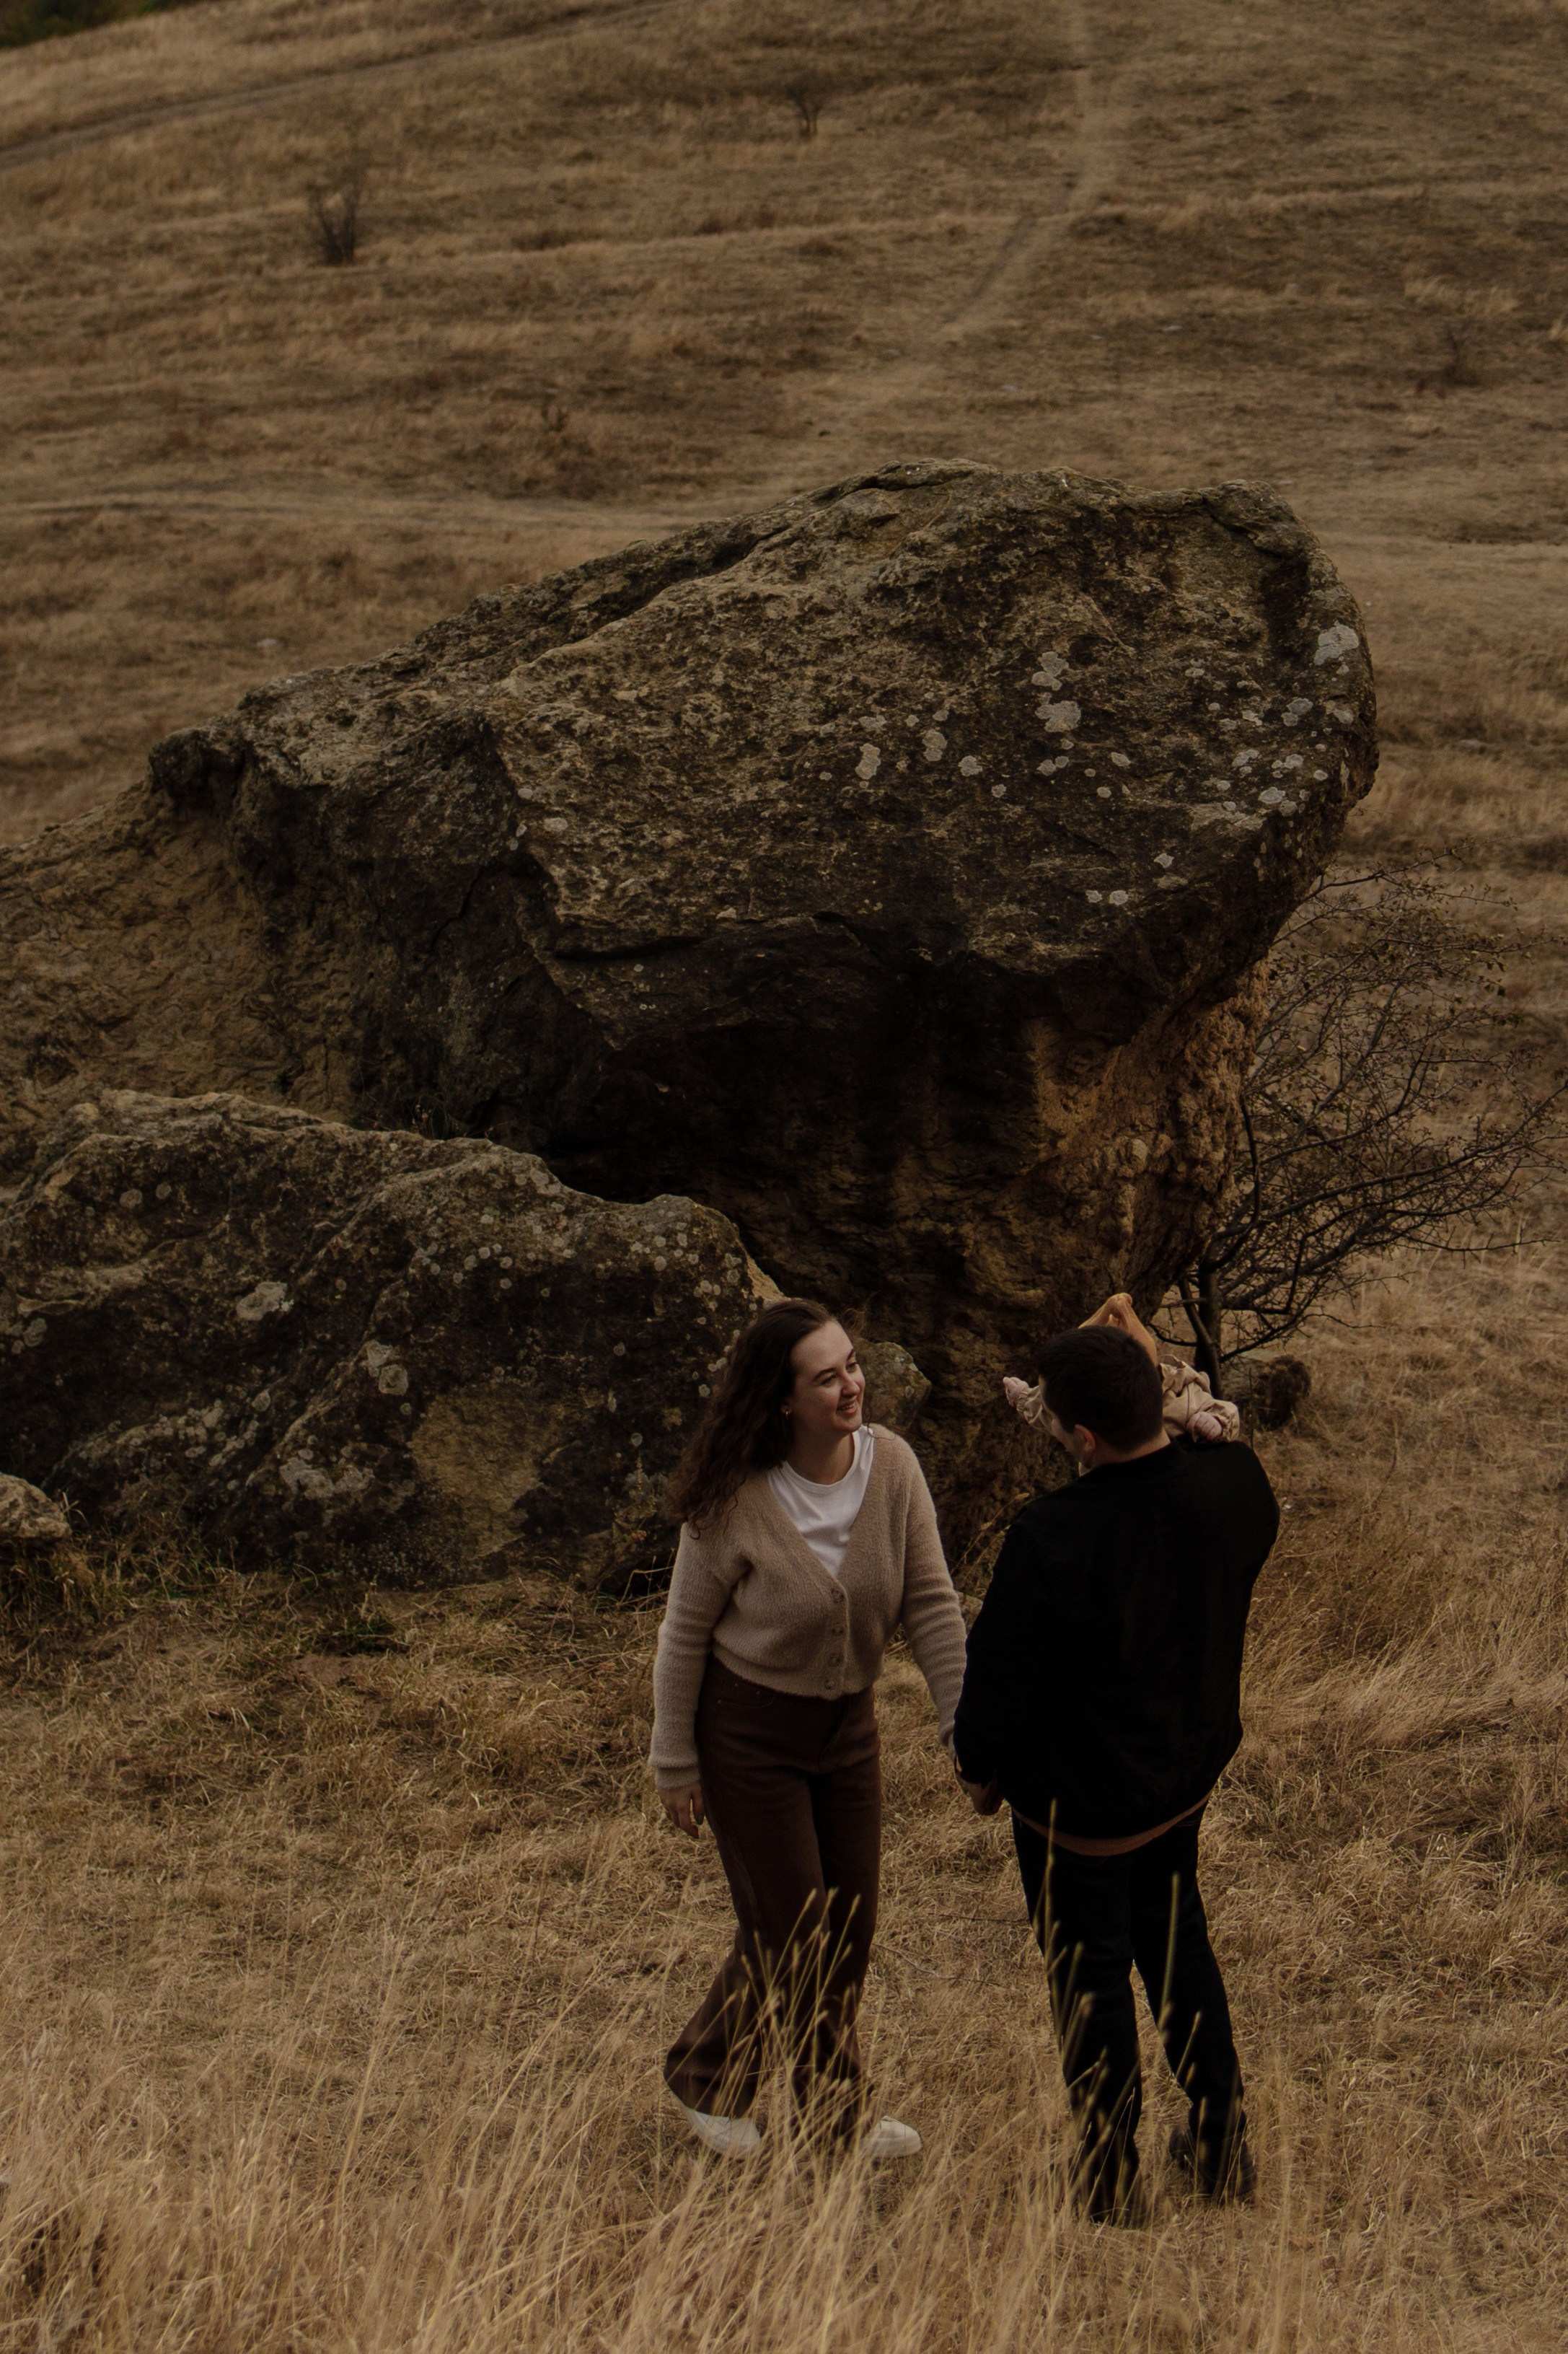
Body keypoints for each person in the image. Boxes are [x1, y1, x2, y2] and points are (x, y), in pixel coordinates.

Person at [953, 1323, 1279, 2223]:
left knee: (1088, 1981)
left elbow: (995, 1680)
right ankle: (1219, 2147)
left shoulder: (1051, 1535)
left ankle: (1108, 2180)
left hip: (1079, 1809)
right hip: (1182, 1781)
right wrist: (1198, 1419)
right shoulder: (1235, 1485)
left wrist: (979, 1768)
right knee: (1179, 1949)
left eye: (1056, 1424)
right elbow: (1202, 1458)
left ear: (1081, 1438)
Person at [651, 1298, 967, 2160]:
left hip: (847, 1731)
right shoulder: (734, 1495)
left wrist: (960, 1724)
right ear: (782, 1397)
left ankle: (704, 2070)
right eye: (826, 1376)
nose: (851, 1385)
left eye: (852, 1365)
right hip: (746, 1733)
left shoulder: (892, 1467)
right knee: (789, 1926)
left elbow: (931, 1604)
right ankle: (829, 2112)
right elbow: (682, 1632)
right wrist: (673, 1760)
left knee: (849, 1922)